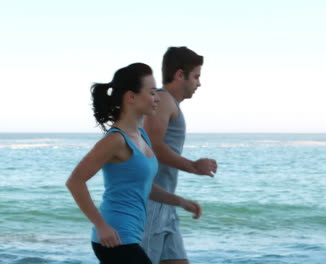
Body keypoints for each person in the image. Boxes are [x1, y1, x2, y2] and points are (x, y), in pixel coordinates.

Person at [66, 63, 202, 264]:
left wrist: (180, 201)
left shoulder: (141, 136)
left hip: (129, 237)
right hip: (114, 239)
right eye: (152, 93)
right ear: (131, 97)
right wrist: (101, 226)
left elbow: (143, 187)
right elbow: (75, 181)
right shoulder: (115, 140)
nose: (157, 98)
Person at [141, 47, 218, 264]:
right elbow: (152, 146)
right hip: (151, 203)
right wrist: (193, 166)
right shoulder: (163, 100)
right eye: (196, 76)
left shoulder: (168, 103)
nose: (199, 83)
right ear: (179, 75)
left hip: (166, 204)